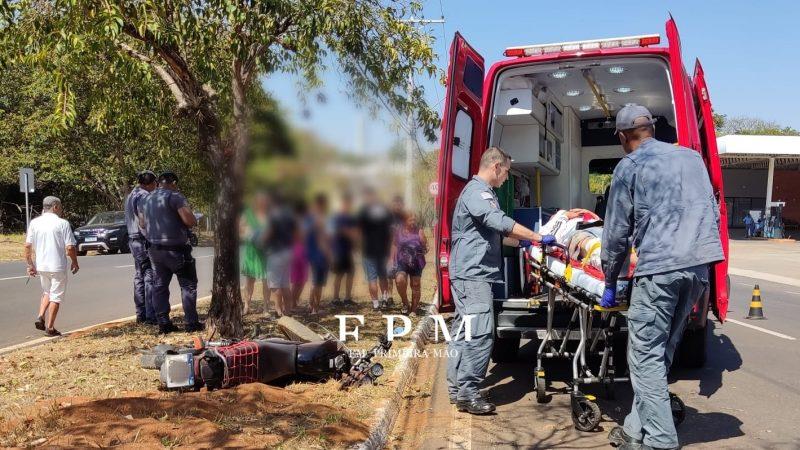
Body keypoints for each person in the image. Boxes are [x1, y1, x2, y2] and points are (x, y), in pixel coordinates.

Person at [601, 104, 723, 450]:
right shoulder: (691, 158)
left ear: (624, 136)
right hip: (698, 269)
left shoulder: (630, 166)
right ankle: (633, 431)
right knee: (660, 354)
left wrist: (610, 280)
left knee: (643, 360)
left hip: (660, 272)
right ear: (651, 128)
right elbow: (711, 211)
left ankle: (660, 442)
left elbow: (615, 234)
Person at [446, 147, 555, 415]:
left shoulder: (481, 194)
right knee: (481, 332)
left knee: (464, 330)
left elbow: (493, 233)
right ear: (495, 166)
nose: (507, 178)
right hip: (473, 275)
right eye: (506, 172)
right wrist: (537, 237)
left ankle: (456, 388)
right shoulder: (478, 192)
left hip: (469, 272)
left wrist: (524, 244)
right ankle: (468, 394)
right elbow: (498, 221)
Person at [140, 171, 203, 334]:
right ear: (173, 183)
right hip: (176, 250)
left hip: (155, 250)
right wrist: (193, 217)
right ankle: (191, 323)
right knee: (188, 286)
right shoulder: (175, 197)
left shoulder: (146, 198)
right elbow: (189, 221)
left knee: (159, 286)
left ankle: (164, 323)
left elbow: (142, 223)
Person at [25, 196, 79, 336]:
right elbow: (70, 247)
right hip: (57, 267)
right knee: (56, 296)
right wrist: (74, 261)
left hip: (41, 266)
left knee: (47, 292)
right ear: (55, 206)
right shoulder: (62, 223)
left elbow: (27, 245)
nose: (61, 210)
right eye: (60, 207)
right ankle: (50, 328)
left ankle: (41, 315)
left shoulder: (35, 223)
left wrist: (30, 264)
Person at [124, 170, 158, 325]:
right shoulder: (143, 196)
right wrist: (151, 237)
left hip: (133, 239)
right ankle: (150, 315)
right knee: (149, 275)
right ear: (150, 183)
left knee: (139, 276)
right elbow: (143, 220)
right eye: (155, 184)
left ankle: (141, 313)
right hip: (142, 239)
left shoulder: (131, 194)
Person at [357, 187, 393, 310]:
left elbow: (359, 232)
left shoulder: (363, 211)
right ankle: (384, 299)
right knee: (383, 276)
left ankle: (376, 303)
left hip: (369, 250)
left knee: (372, 278)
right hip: (382, 250)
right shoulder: (384, 210)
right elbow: (390, 231)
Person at [264, 193, 296, 317]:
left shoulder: (273, 216)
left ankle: (279, 311)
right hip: (287, 251)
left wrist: (261, 241)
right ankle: (288, 310)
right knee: (285, 284)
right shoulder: (289, 216)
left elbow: (269, 233)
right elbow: (295, 233)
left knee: (275, 284)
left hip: (275, 252)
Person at [391, 212, 427, 316]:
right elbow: (394, 245)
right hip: (402, 260)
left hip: (416, 260)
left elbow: (425, 246)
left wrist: (422, 240)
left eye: (414, 220)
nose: (413, 222)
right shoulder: (399, 231)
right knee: (399, 280)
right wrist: (391, 259)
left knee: (415, 285)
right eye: (410, 220)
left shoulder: (419, 230)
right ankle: (405, 302)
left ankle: (414, 309)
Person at [239, 192, 269, 315]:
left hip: (265, 252)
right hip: (251, 252)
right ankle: (247, 306)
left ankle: (266, 308)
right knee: (249, 281)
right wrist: (247, 235)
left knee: (266, 280)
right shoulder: (247, 214)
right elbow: (240, 229)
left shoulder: (268, 215)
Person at [330, 192, 357, 307]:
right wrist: (353, 234)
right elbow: (344, 231)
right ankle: (335, 299)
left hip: (348, 251)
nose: (347, 205)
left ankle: (347, 298)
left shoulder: (350, 217)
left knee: (350, 274)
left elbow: (354, 232)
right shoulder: (338, 217)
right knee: (339, 275)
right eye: (346, 203)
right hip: (339, 251)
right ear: (342, 203)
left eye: (349, 203)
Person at [306, 193, 332, 314]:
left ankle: (312, 305)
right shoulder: (318, 219)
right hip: (319, 255)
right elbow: (323, 239)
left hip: (314, 254)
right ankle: (314, 307)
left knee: (317, 282)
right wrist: (328, 254)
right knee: (317, 282)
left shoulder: (314, 218)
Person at [288, 200, 308, 315]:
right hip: (297, 251)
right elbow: (299, 236)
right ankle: (292, 303)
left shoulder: (300, 222)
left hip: (301, 251)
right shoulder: (295, 223)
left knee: (301, 279)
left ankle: (294, 302)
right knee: (297, 280)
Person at [385, 195, 406, 306]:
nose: (397, 206)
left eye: (399, 204)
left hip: (402, 250)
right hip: (388, 248)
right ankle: (389, 297)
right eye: (395, 203)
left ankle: (404, 298)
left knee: (401, 273)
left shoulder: (404, 217)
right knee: (389, 274)